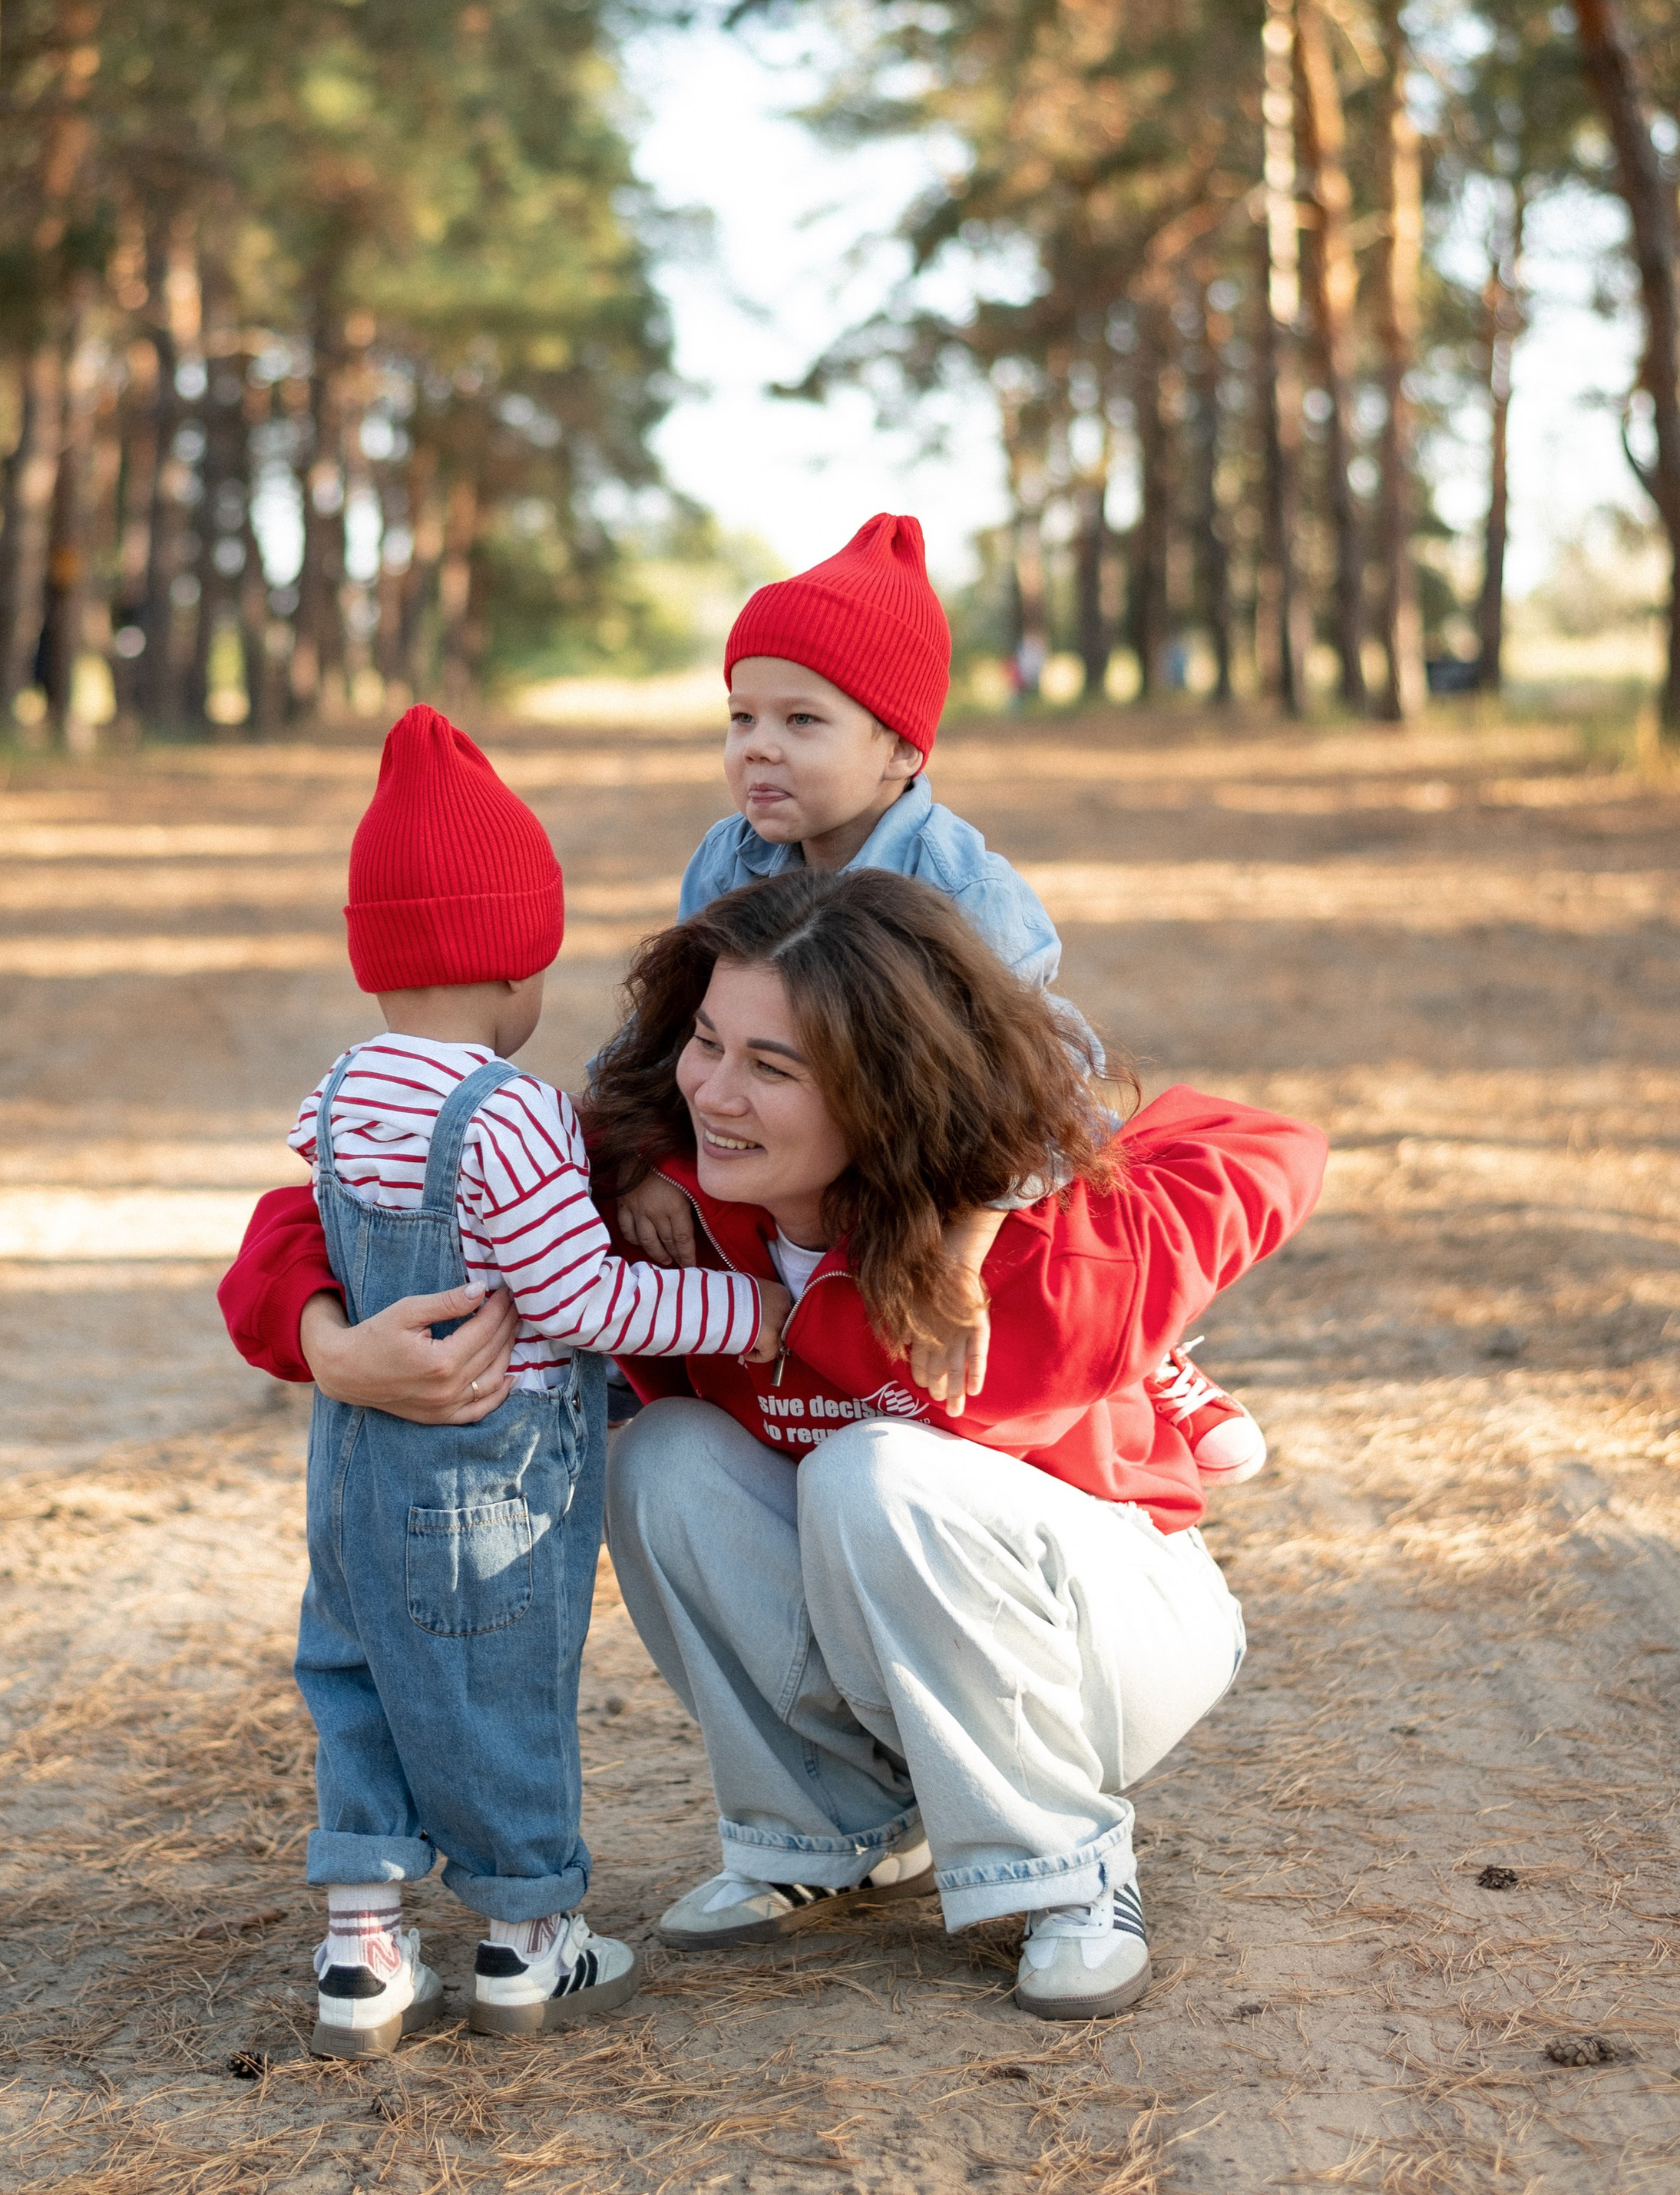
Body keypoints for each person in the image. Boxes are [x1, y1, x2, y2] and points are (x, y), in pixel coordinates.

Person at [584, 866, 1327, 2020]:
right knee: (660, 1455)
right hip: (887, 1604)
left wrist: (1005, 1186)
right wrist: (330, 1335)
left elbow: (1273, 1144)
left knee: (873, 1466)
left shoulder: (1023, 1246)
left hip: (1118, 1620)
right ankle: (828, 1832)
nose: (716, 1092)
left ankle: (1072, 1874)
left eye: (772, 1066)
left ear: (882, 1089)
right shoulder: (672, 1205)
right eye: (707, 1042)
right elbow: (379, 1191)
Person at [264, 707, 789, 2061]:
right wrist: (746, 1309)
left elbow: (311, 1228)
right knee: (503, 1688)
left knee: (360, 1673)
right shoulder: (512, 1115)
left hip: (356, 1459)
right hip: (494, 1472)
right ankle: (529, 1940)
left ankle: (362, 1953)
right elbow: (576, 1299)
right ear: (517, 968)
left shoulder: (338, 1094)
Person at [614, 512, 1267, 1482]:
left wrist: (961, 1248)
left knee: (1048, 1185)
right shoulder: (729, 858)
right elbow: (677, 1029)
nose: (757, 747)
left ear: (900, 752)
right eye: (740, 717)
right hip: (816, 1113)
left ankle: (1137, 1350)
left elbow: (1030, 1083)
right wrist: (638, 1159)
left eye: (802, 721)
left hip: (968, 1124)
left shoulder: (962, 892)